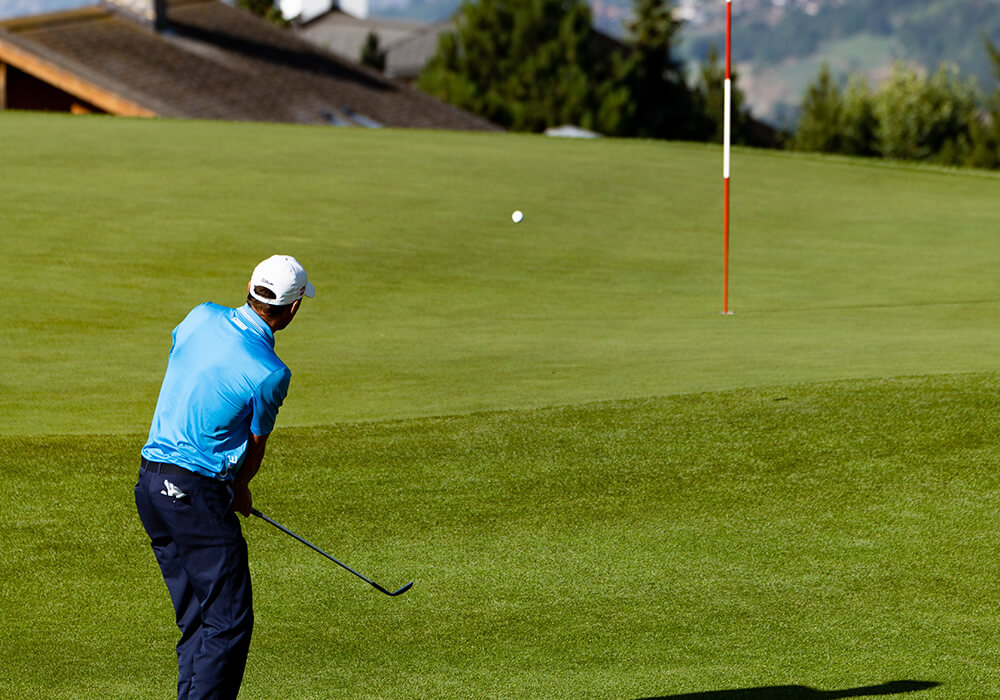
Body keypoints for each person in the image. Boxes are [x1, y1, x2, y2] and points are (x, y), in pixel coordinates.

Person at [135, 255, 315, 700]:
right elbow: (256, 444)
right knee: (229, 620)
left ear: (249, 288)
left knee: (198, 617)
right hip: (193, 497)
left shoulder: (200, 314)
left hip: (150, 487)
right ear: (293, 310)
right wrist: (239, 489)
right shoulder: (271, 373)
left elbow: (186, 361)